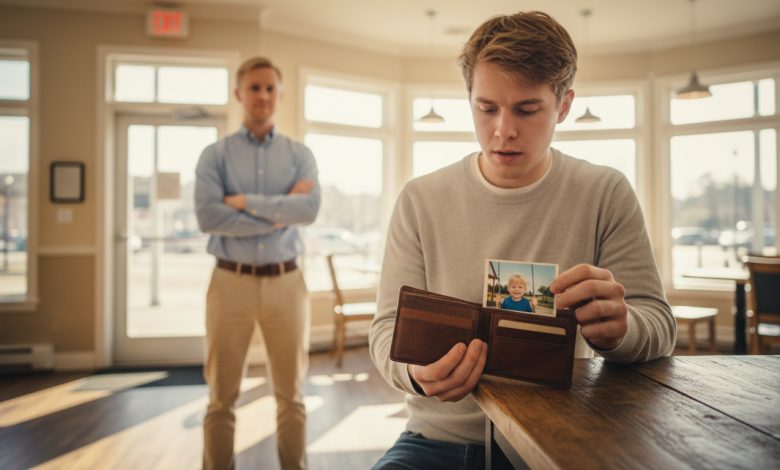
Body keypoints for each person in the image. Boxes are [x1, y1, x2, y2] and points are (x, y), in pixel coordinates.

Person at [369, 11, 675, 469]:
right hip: (438, 438)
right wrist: (414, 373)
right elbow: (385, 330)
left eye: (527, 110)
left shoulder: (605, 192)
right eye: (486, 108)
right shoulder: (420, 199)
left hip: (557, 437)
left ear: (564, 105)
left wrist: (623, 330)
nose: (503, 130)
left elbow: (659, 325)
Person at [195, 56, 321, 470]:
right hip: (229, 282)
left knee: (292, 396)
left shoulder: (300, 155)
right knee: (221, 398)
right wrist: (279, 212)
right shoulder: (215, 155)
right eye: (254, 87)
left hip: (287, 283)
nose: (262, 95)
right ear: (239, 93)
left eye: (270, 88)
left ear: (280, 95)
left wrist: (244, 202)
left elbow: (309, 210)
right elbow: (209, 217)